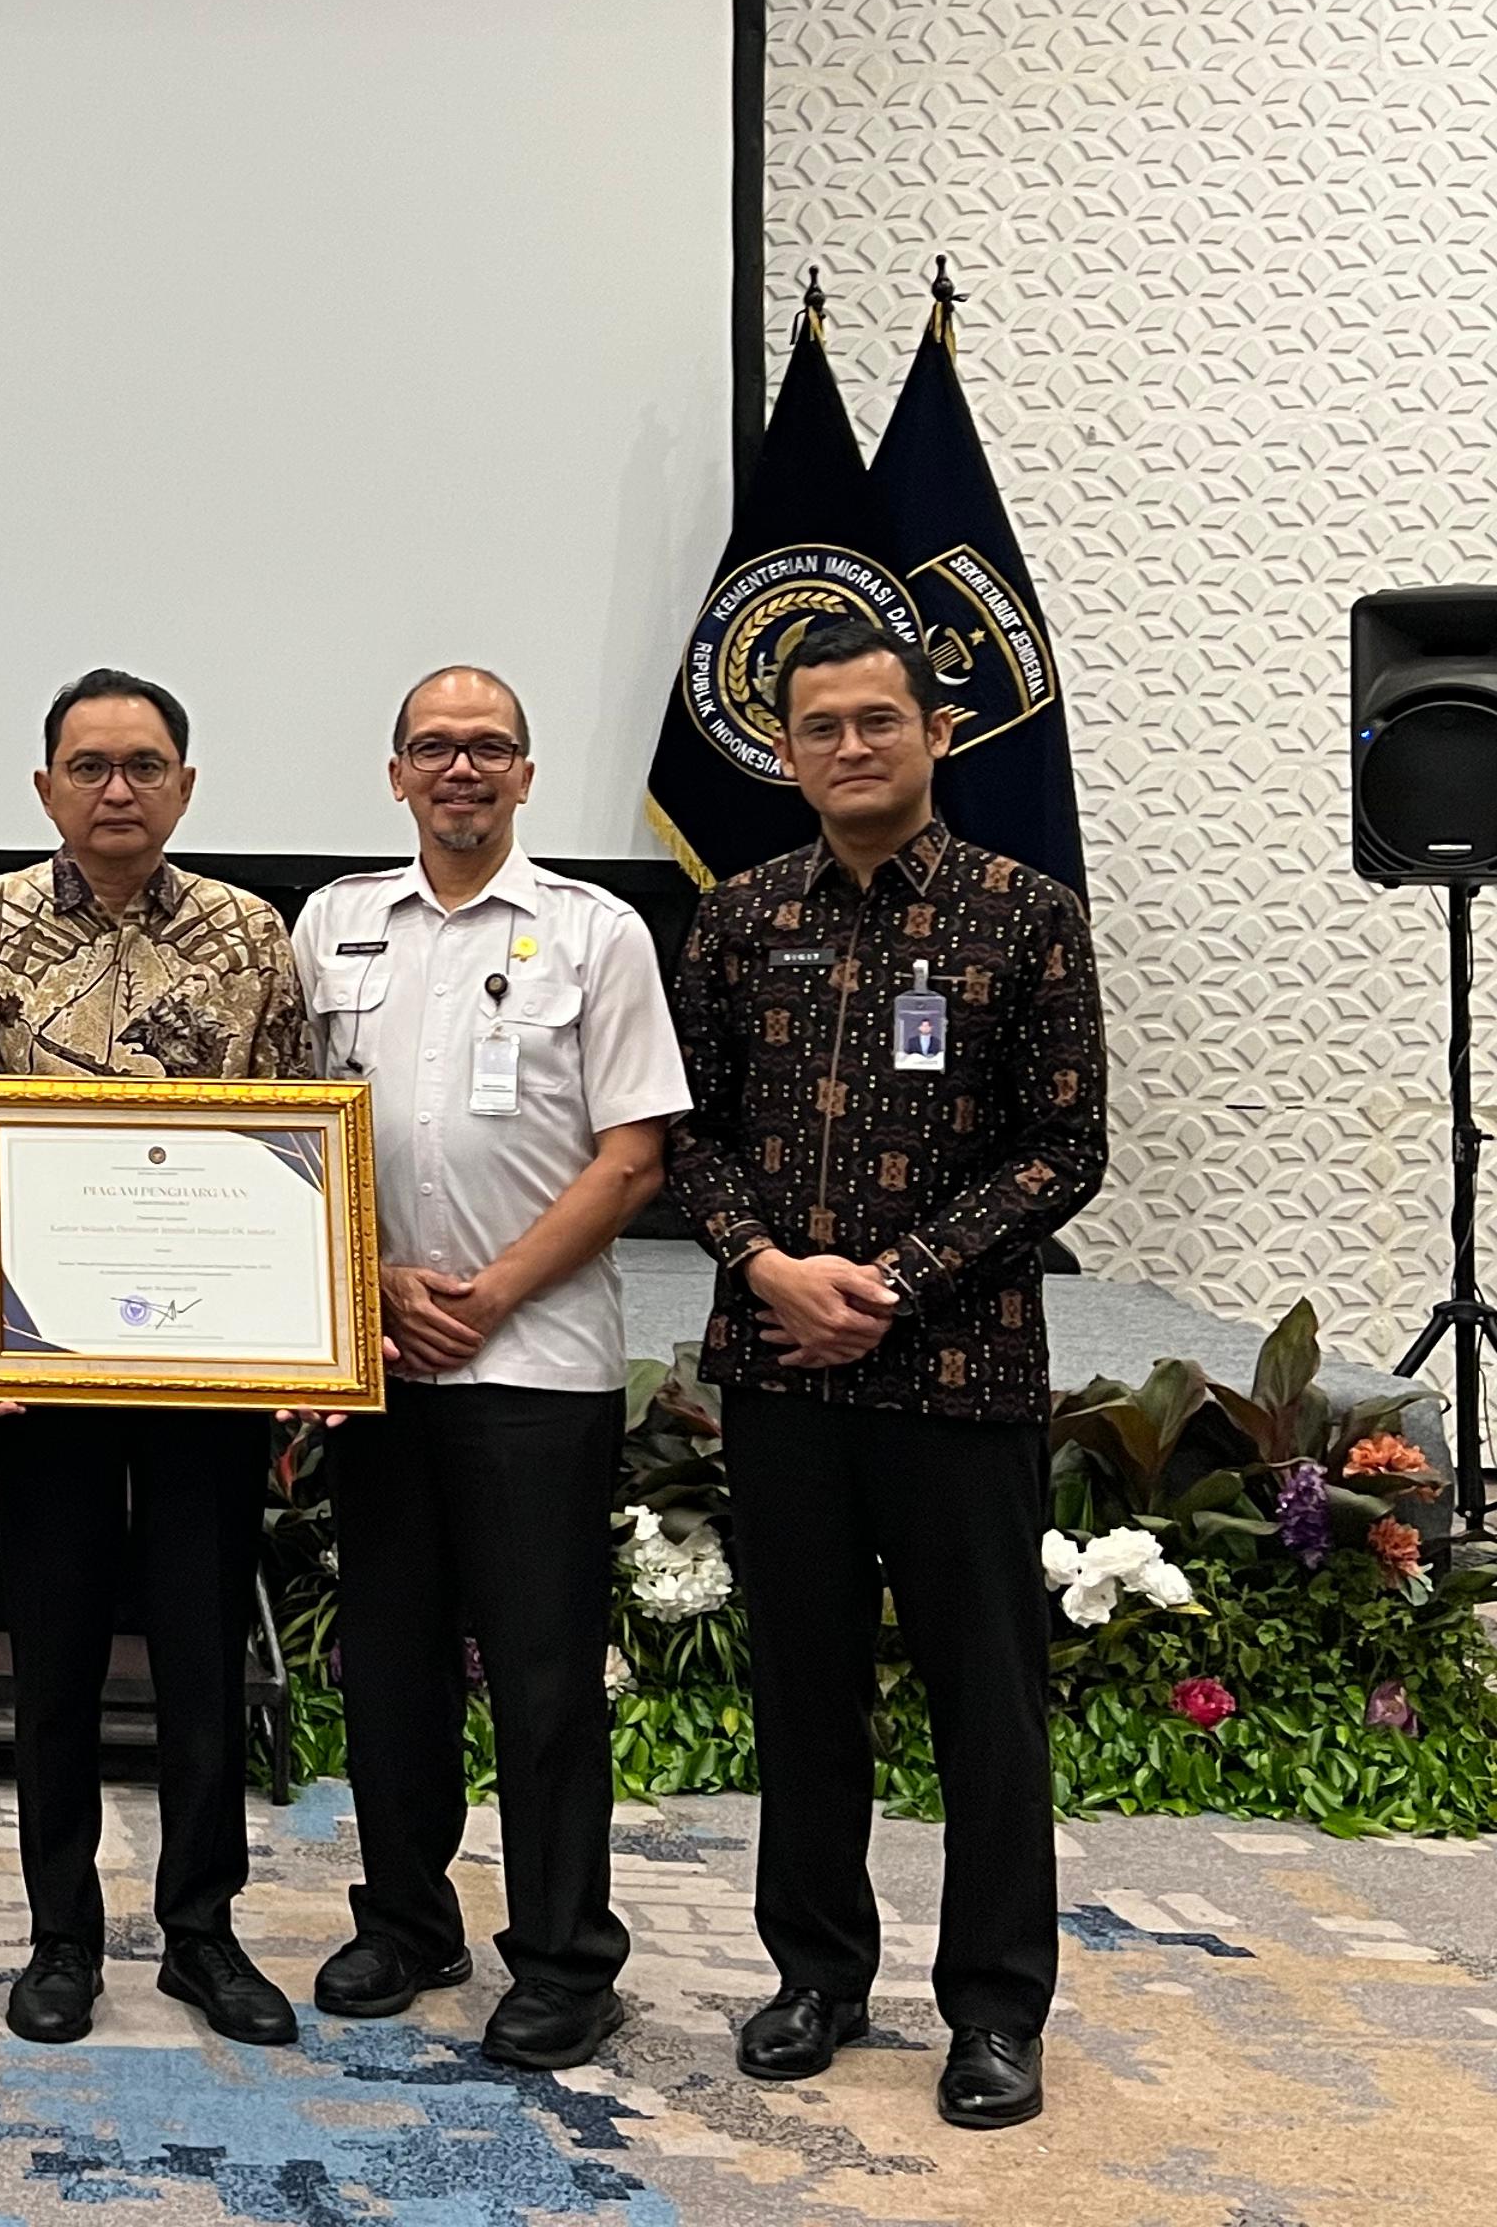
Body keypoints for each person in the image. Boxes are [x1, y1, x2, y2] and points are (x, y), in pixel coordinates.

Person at [666, 611, 1104, 2132]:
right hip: (781, 1366)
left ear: (936, 733)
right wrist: (770, 1267)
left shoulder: (1024, 912)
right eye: (821, 728)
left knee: (990, 1701)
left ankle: (994, 2009)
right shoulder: (739, 919)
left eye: (877, 721)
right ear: (784, 753)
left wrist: (897, 1282)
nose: (850, 747)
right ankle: (817, 1977)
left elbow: (1066, 1144)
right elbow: (689, 1132)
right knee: (805, 1690)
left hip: (959, 1372)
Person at [291, 668, 689, 2069]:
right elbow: (290, 1133)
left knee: (541, 1678)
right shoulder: (332, 925)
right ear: (396, 773)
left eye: (487, 748)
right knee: (393, 1668)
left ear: (525, 774)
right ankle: (406, 1924)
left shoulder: (596, 932)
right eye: (434, 747)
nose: (460, 768)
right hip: (382, 1356)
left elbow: (633, 1157)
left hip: (540, 1361)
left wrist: (496, 1290)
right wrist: (374, 1282)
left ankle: (567, 1961)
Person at [0, 667, 309, 2052]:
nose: (117, 789)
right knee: (59, 1654)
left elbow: (299, 1138)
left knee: (201, 1650)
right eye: (89, 767)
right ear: (46, 789)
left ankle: (202, 1932)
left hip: (208, 1361)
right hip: (48, 1357)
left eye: (144, 765)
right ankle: (62, 1937)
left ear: (186, 786)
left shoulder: (249, 935)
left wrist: (298, 1328)